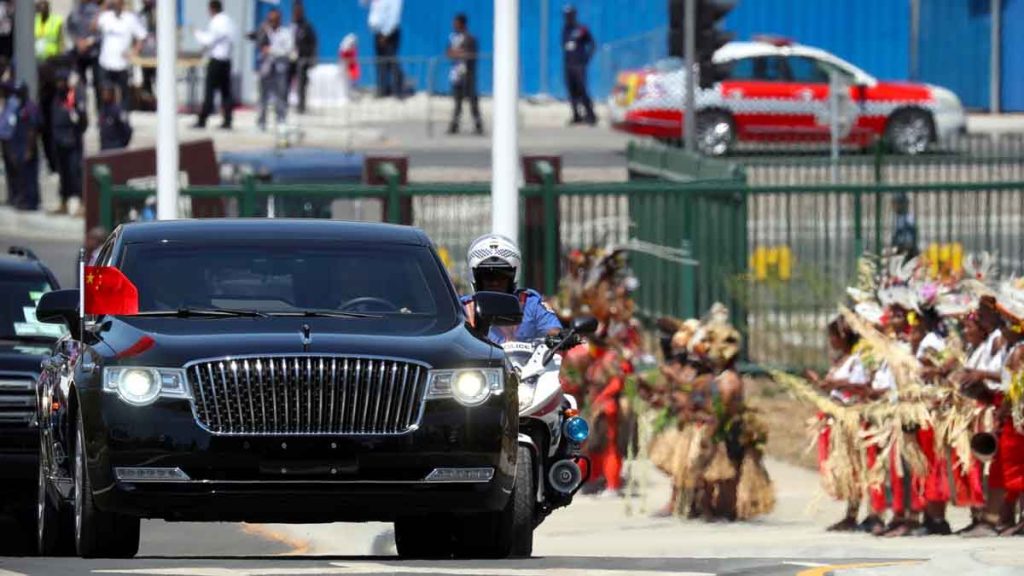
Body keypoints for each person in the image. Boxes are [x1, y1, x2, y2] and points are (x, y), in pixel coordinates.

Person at [460, 233, 563, 344]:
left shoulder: (529, 302)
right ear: (475, 277)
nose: (495, 282)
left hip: (528, 361)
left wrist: (560, 337)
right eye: (488, 277)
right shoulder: (464, 309)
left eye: (502, 276)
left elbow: (554, 330)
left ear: (513, 276)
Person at [94, 0, 146, 110]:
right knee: (104, 91)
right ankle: (104, 116)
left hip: (122, 63)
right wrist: (103, 7)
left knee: (124, 92)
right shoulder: (106, 17)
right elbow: (93, 27)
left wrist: (134, 51)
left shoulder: (130, 19)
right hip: (106, 62)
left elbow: (141, 36)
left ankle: (123, 116)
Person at [49, 68, 87, 216]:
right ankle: (64, 202)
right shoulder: (57, 97)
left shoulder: (73, 96)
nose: (59, 84)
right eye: (57, 81)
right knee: (63, 174)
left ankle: (82, 205)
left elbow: (83, 120)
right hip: (59, 142)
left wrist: (76, 134)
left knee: (75, 173)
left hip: (72, 142)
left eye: (62, 81)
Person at [193, 0, 234, 129]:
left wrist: (197, 33)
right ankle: (227, 120)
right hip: (227, 60)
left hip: (216, 60)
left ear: (212, 9)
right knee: (226, 92)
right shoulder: (229, 21)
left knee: (209, 91)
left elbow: (209, 40)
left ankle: (202, 119)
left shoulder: (216, 21)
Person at [35, 0, 64, 174]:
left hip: (51, 70)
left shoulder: (56, 21)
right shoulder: (32, 22)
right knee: (41, 123)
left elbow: (61, 45)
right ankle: (48, 160)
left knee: (52, 122)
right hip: (37, 72)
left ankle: (54, 163)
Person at [252, 8, 293, 131]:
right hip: (266, 68)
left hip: (280, 69)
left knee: (281, 95)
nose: (272, 22)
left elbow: (288, 50)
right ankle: (261, 121)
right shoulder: (265, 32)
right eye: (270, 19)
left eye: (274, 20)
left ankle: (281, 120)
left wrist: (272, 51)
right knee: (263, 96)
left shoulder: (285, 33)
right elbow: (258, 43)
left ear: (279, 20)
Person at [3, 82, 41, 211]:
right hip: (18, 146)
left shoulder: (30, 107)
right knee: (22, 176)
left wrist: (29, 149)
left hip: (27, 147)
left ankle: (32, 202)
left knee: (30, 176)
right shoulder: (19, 107)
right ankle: (24, 199)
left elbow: (32, 130)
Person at [445, 12, 482, 135]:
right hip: (457, 74)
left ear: (462, 24)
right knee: (457, 103)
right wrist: (456, 53)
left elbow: (472, 54)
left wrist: (459, 53)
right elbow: (448, 53)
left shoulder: (470, 38)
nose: (454, 25)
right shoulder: (453, 38)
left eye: (456, 23)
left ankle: (478, 125)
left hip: (468, 74)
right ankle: (454, 126)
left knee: (472, 102)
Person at [562, 5, 596, 126]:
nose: (568, 18)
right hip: (568, 65)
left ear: (574, 15)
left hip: (579, 65)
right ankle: (576, 115)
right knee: (571, 91)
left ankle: (591, 115)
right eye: (566, 16)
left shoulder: (581, 29)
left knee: (582, 90)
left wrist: (586, 58)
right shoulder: (565, 29)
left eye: (570, 15)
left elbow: (592, 43)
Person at [66, 0, 102, 108]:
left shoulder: (96, 11)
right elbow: (69, 28)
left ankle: (100, 111)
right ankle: (81, 108)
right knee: (79, 83)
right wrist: (76, 41)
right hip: (79, 53)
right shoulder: (75, 10)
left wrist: (88, 42)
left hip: (94, 53)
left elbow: (101, 31)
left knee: (98, 83)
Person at [364, 0, 403, 98]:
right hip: (378, 32)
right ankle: (382, 89)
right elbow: (364, 3)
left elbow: (394, 15)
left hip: (389, 33)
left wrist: (386, 34)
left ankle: (398, 90)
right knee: (380, 62)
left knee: (391, 61)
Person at [289, 3, 316, 115]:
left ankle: (301, 106)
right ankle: (284, 104)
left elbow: (313, 42)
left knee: (301, 84)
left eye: (299, 11)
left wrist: (311, 58)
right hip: (290, 59)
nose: (297, 13)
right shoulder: (290, 25)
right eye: (295, 11)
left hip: (302, 59)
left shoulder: (307, 26)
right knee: (285, 81)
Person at [98, 84, 130, 150]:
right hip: (104, 147)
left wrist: (121, 144)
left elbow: (127, 130)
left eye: (107, 93)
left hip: (116, 147)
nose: (105, 95)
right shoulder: (103, 110)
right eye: (103, 93)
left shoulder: (118, 110)